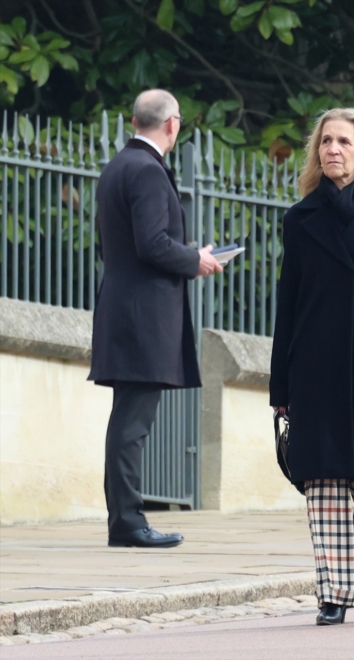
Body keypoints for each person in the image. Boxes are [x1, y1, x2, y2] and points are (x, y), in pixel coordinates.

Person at [269, 108, 354, 626]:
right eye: (325, 141)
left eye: (343, 142)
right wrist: (280, 384)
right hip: (317, 367)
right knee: (325, 482)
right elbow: (289, 303)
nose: (333, 149)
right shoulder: (300, 219)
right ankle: (334, 589)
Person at [89, 89, 222, 549]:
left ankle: (124, 518)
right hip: (143, 316)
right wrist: (195, 260)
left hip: (122, 308)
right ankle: (127, 523)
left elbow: (109, 246)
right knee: (132, 425)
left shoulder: (117, 167)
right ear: (172, 125)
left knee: (126, 421)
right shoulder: (146, 171)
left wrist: (187, 256)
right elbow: (152, 244)